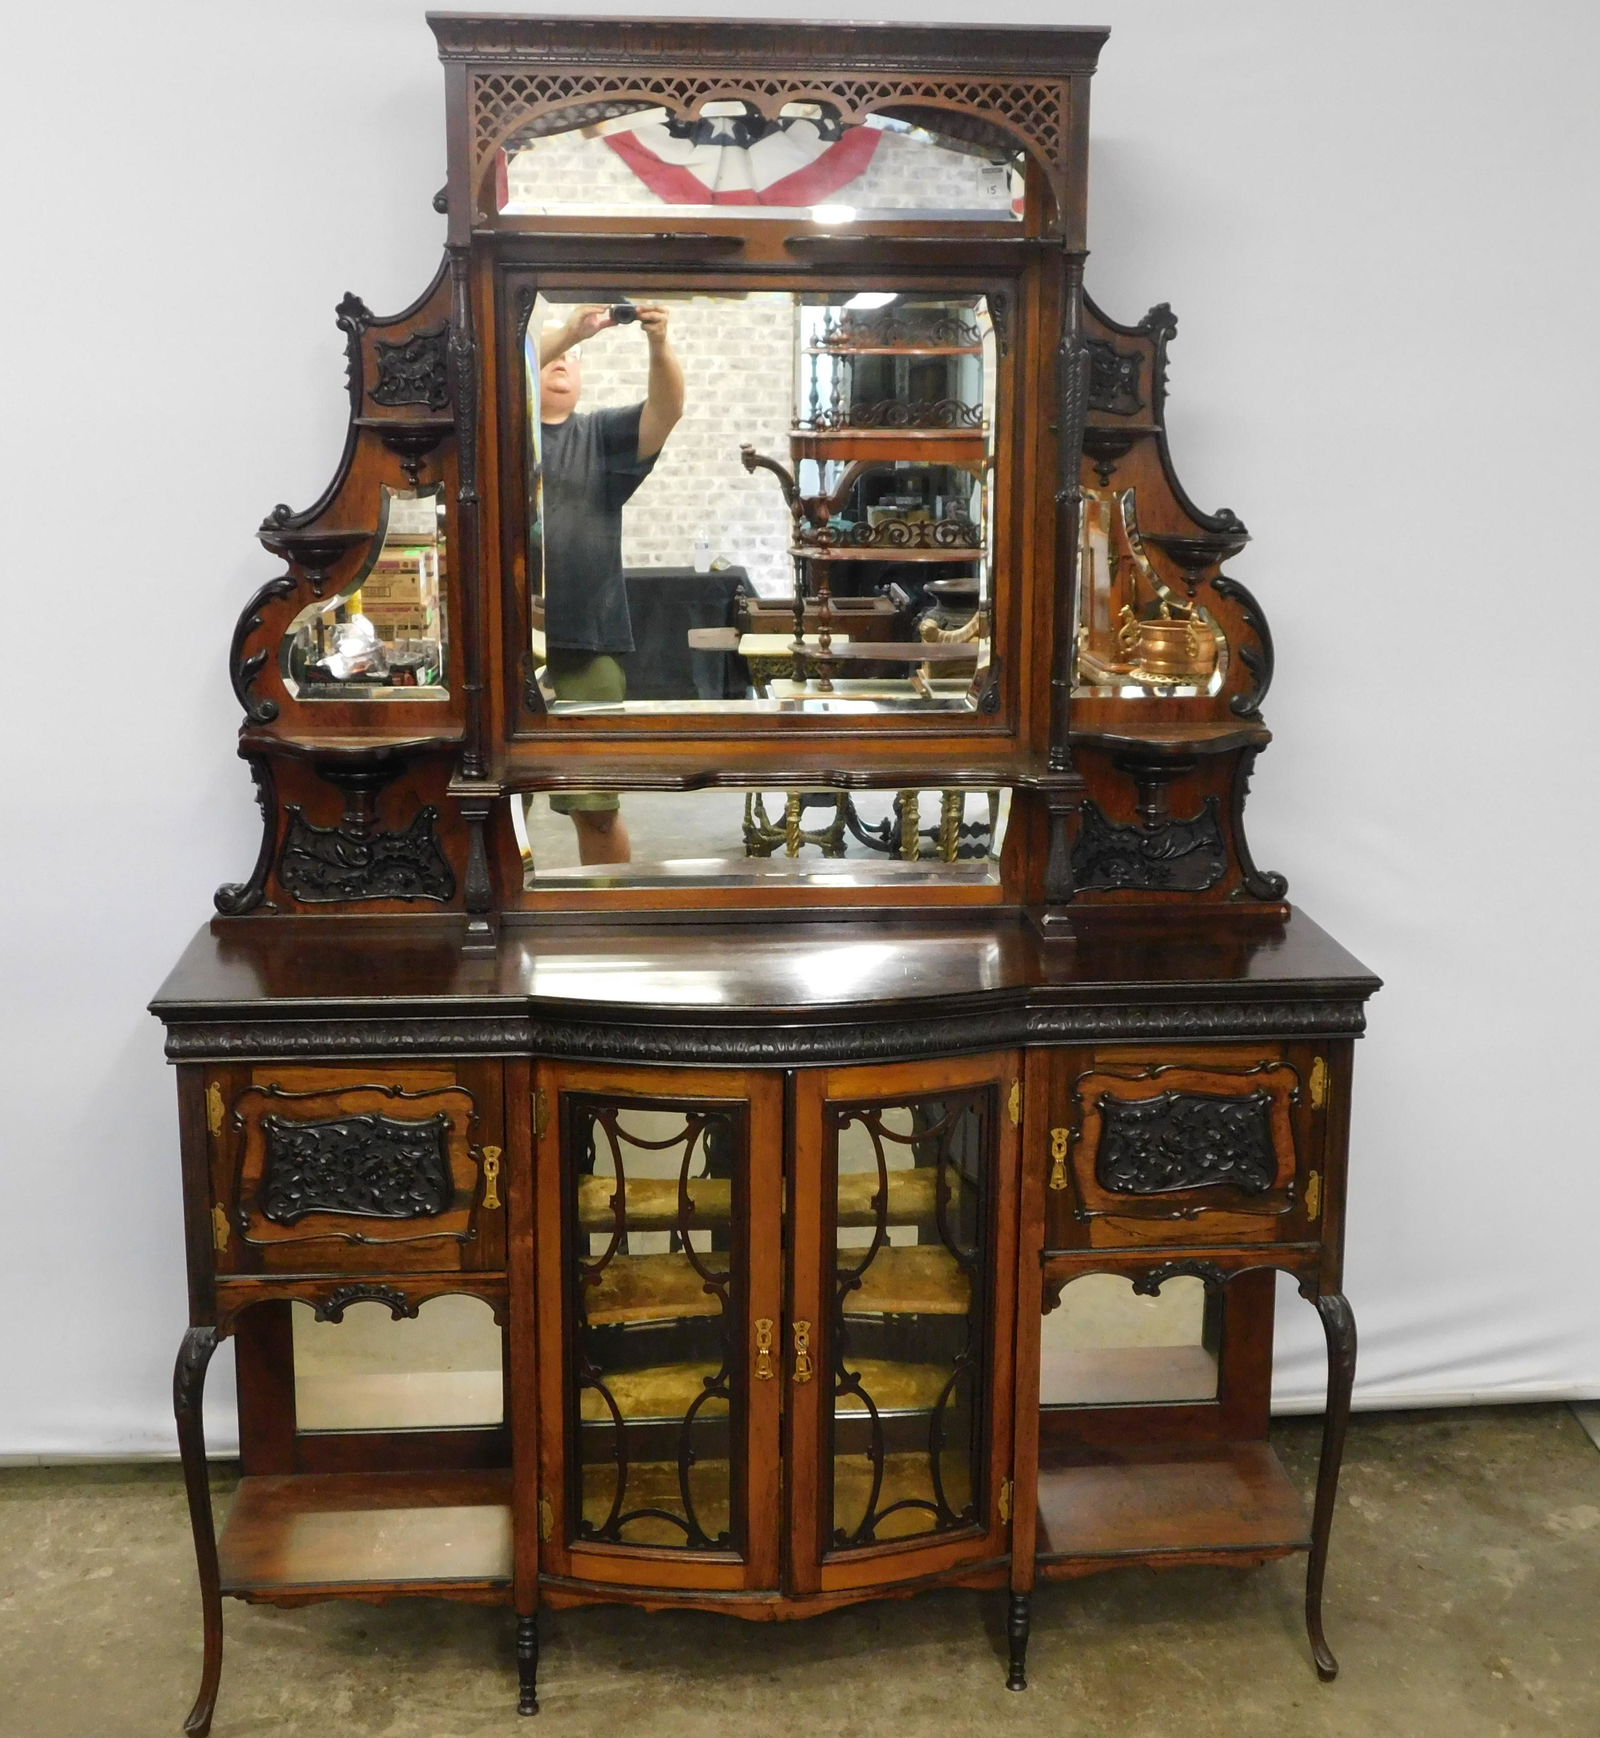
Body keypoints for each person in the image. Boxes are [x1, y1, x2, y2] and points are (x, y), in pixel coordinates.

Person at [536, 302, 684, 864]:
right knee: (491, 802)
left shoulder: (599, 436)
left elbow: (667, 411)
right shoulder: (497, 432)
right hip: (501, 650)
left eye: (574, 357)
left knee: (596, 808)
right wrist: (569, 331)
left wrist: (658, 345)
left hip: (587, 644)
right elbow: (495, 376)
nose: (563, 362)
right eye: (554, 354)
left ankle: (608, 918)